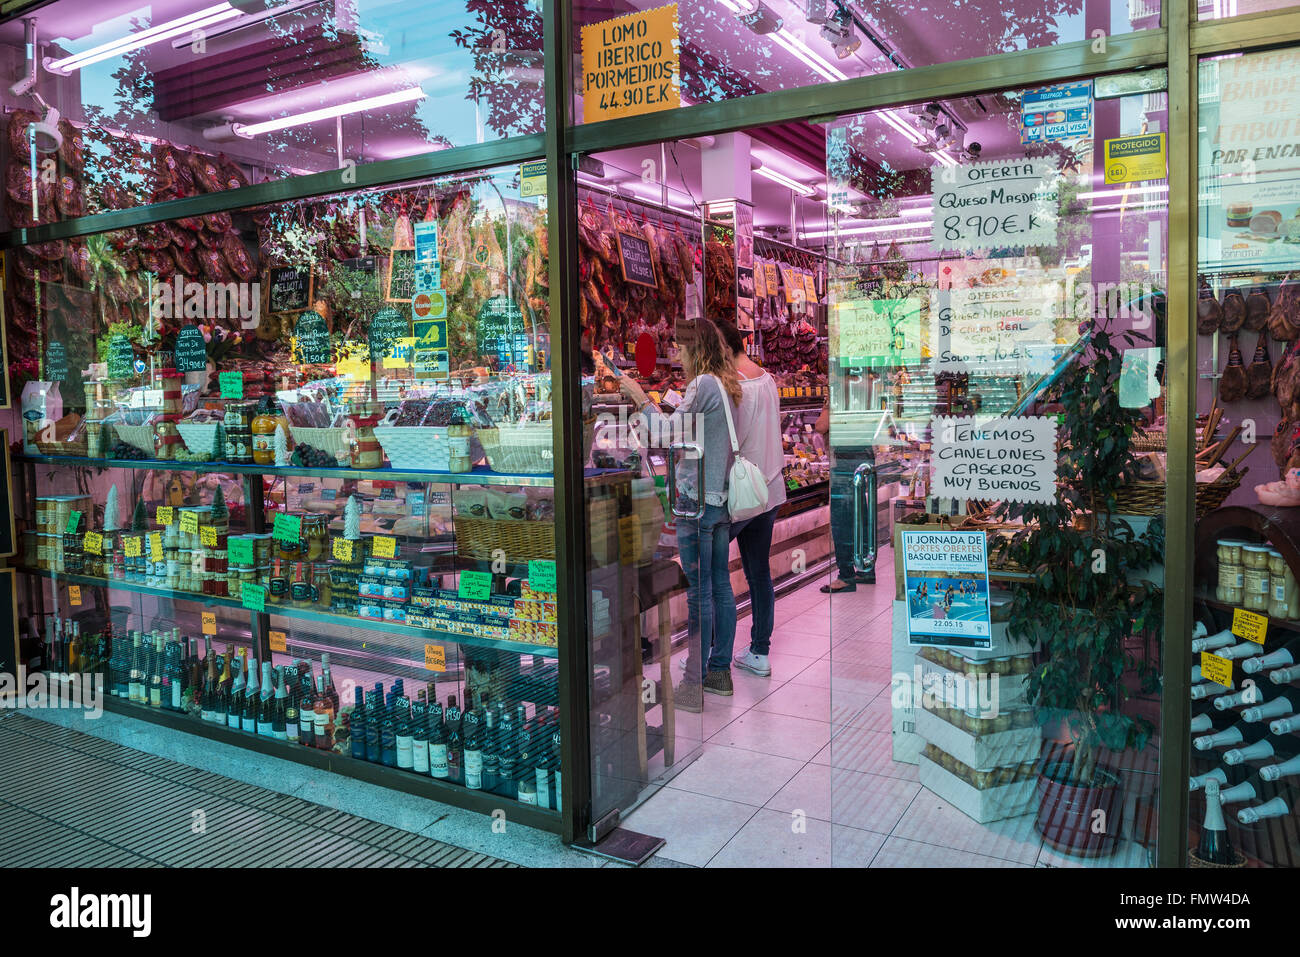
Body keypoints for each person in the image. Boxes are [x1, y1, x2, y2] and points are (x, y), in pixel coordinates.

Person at [618, 318, 742, 711]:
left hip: (697, 504)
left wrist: (641, 397)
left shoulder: (704, 384)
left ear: (695, 349)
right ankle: (718, 671)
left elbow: (666, 433)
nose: (677, 355)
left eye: (681, 348)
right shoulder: (725, 384)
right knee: (719, 585)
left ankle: (692, 682)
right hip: (718, 500)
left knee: (700, 593)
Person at [716, 320, 786, 678]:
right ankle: (759, 651)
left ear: (724, 349)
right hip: (769, 489)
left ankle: (713, 655)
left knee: (713, 571)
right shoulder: (768, 379)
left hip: (741, 494)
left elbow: (730, 443)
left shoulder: (735, 386)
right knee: (759, 573)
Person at [815, 397, 877, 592]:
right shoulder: (867, 390)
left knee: (842, 520)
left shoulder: (838, 395)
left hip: (844, 462)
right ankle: (866, 568)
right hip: (864, 457)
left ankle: (846, 576)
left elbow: (820, 426)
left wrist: (827, 408)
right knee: (861, 515)